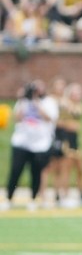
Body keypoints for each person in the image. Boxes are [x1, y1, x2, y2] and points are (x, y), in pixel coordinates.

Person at [2, 80, 58, 211]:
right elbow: (17, 117)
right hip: (22, 142)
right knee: (15, 171)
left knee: (36, 172)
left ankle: (33, 198)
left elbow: (50, 118)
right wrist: (22, 99)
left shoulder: (49, 102)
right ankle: (9, 197)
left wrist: (37, 102)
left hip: (40, 144)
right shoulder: (23, 101)